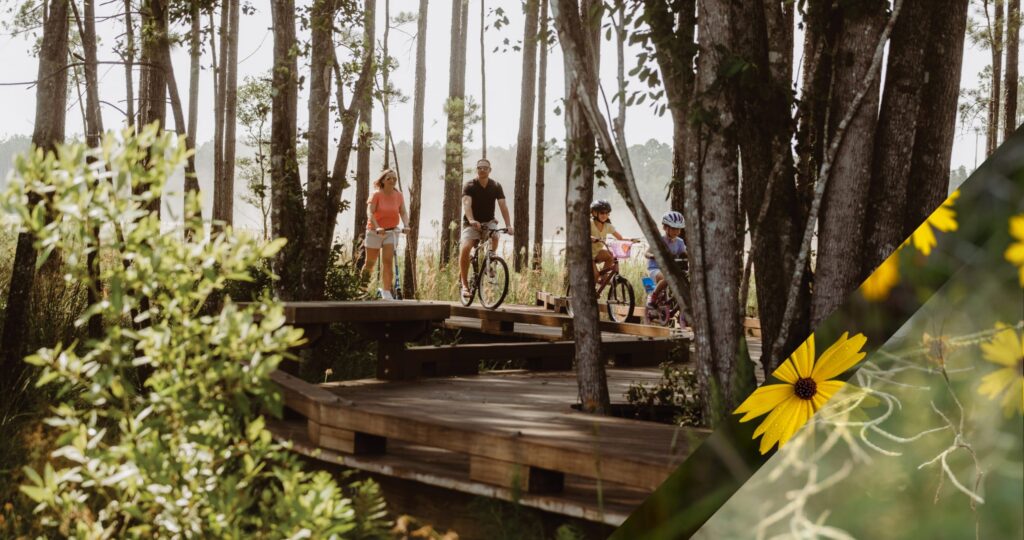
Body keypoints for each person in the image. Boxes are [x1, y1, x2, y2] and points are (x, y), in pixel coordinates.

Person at [459, 158, 513, 299]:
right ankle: (464, 286)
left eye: (485, 167)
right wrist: (471, 220)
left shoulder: (496, 186)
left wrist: (508, 225)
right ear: (477, 169)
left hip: (489, 221)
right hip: (471, 223)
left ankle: (490, 262)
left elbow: (503, 206)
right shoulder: (469, 185)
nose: (482, 169)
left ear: (490, 170)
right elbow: (466, 205)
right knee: (466, 248)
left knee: (495, 235)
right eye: (479, 167)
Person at [363, 168, 410, 300]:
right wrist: (377, 227)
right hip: (374, 231)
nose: (392, 181)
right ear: (383, 180)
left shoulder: (398, 195)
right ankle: (362, 289)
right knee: (370, 263)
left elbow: (403, 212)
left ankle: (386, 291)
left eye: (394, 178)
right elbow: (370, 212)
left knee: (388, 261)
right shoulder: (376, 194)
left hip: (391, 231)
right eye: (389, 178)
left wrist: (406, 225)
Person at [645, 210, 687, 308]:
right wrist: (654, 256)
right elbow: (646, 253)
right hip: (655, 268)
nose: (677, 231)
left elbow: (685, 253)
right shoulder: (659, 240)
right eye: (674, 229)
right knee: (667, 278)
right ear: (665, 227)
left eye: (679, 229)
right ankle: (653, 297)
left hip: (670, 269)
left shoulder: (680, 242)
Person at [590, 199, 637, 281]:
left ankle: (604, 277)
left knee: (611, 256)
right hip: (587, 254)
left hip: (597, 252)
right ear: (594, 213)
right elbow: (582, 235)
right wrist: (591, 238)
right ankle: (593, 291)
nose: (604, 215)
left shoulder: (608, 226)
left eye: (606, 213)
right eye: (602, 213)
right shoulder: (590, 223)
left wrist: (630, 240)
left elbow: (620, 238)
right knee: (595, 275)